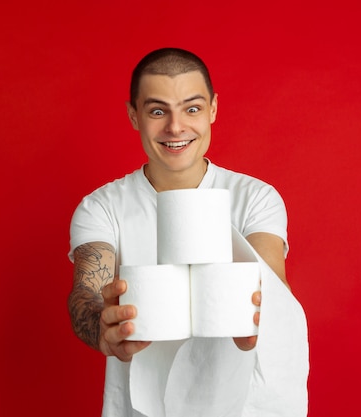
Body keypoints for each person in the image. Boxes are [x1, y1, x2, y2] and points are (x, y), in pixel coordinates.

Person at [67, 47, 306, 416]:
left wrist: (261, 318)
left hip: (239, 406)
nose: (175, 127)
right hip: (141, 407)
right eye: (157, 111)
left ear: (212, 109)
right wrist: (101, 327)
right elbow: (86, 291)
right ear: (134, 116)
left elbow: (271, 281)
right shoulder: (103, 207)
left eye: (191, 108)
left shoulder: (255, 197)